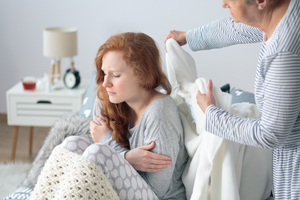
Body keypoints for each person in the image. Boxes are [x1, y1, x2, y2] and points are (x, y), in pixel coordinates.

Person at [164, 0, 300, 199]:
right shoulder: (284, 11)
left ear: (261, 1)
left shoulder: (284, 54)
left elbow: (270, 134)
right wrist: (188, 37)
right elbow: (236, 29)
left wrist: (211, 114)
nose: (223, 3)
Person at [60, 32, 188, 199]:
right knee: (72, 144)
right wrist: (126, 158)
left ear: (142, 74)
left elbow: (156, 192)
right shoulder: (110, 100)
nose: (106, 83)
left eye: (116, 75)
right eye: (105, 73)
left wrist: (111, 145)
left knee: (97, 153)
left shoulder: (160, 112)